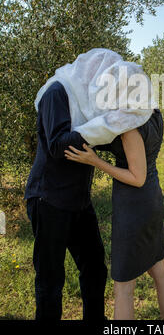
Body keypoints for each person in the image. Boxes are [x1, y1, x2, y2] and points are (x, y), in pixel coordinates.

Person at [64, 108, 164, 320]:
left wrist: (95, 161)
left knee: (123, 286)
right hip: (152, 197)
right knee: (159, 268)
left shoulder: (130, 129)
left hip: (133, 207)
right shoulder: (153, 113)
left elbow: (137, 177)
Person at [24, 81, 108, 322]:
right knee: (50, 279)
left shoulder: (88, 102)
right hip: (48, 197)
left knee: (95, 268)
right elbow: (58, 144)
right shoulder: (56, 93)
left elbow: (101, 138)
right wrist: (103, 128)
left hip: (78, 201)